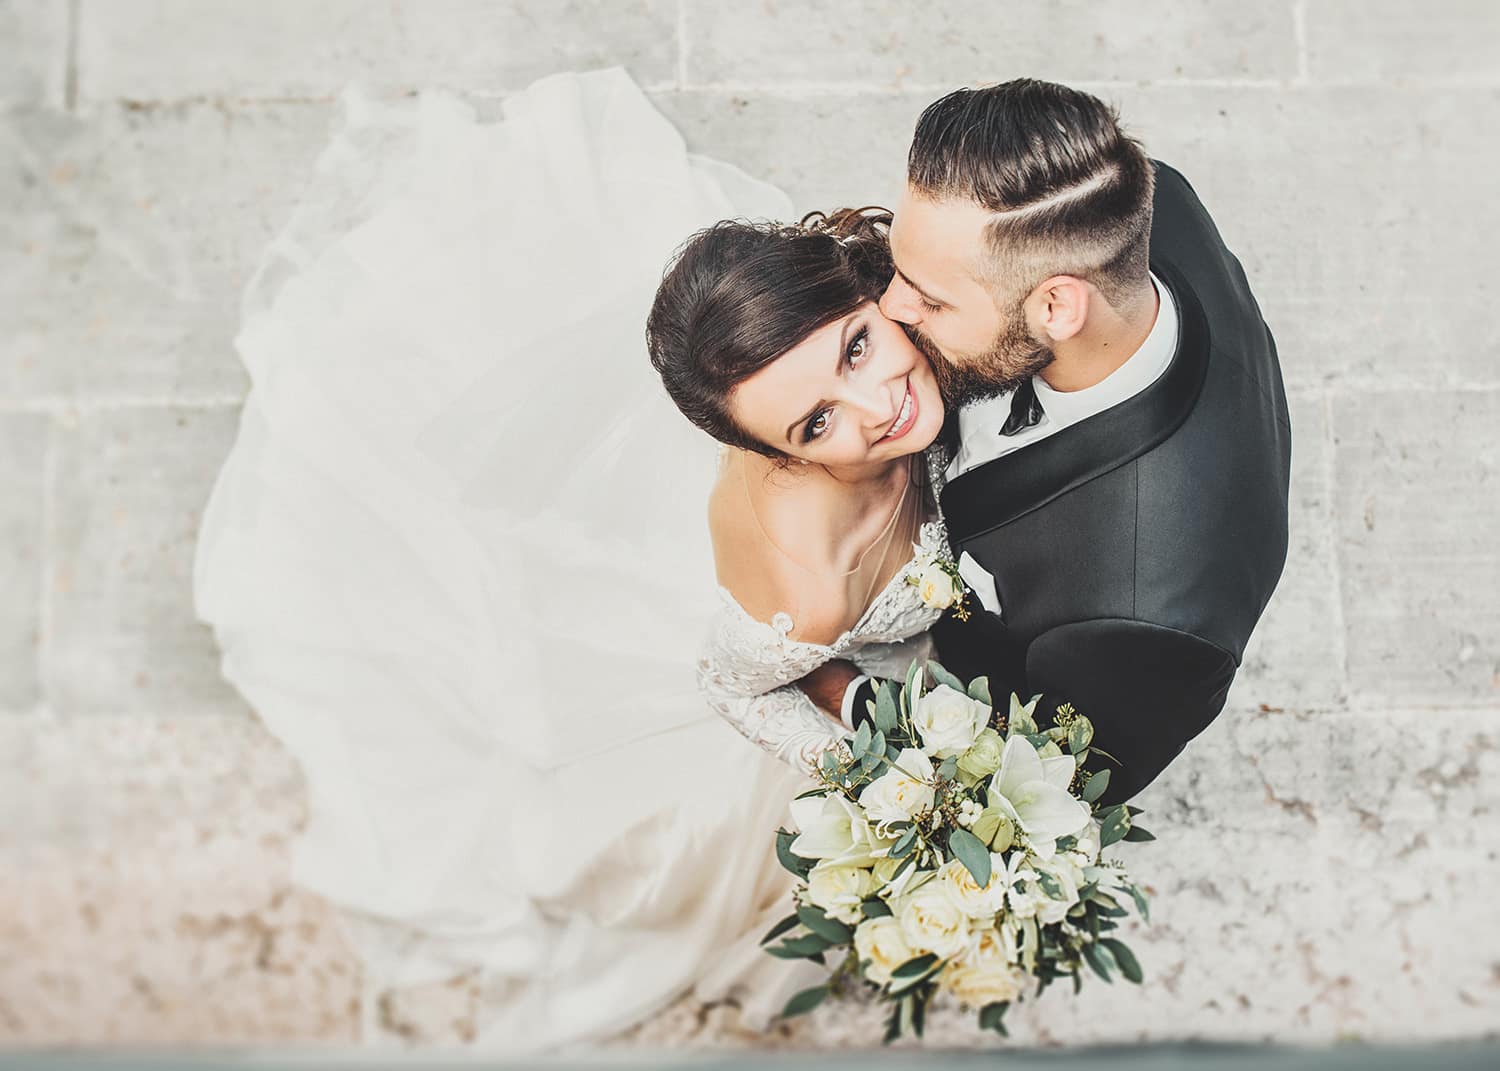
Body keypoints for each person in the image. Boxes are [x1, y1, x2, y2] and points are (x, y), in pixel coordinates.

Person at [193, 67, 950, 1052]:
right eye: (817, 421)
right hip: (760, 662)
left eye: (855, 348)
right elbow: (736, 688)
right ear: (781, 454)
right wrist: (862, 771)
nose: (878, 405)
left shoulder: (910, 313)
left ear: (862, 292)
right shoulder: (807, 587)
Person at [817, 79, 1293, 805]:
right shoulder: (1124, 203)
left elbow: (1051, 779)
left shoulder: (1147, 619)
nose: (891, 306)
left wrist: (839, 690)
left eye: (930, 297)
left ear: (1057, 307)